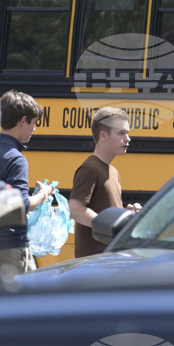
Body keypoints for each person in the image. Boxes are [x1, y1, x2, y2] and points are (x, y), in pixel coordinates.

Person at [0, 89, 53, 285]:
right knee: (25, 304)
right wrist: (44, 194)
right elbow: (22, 204)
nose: (34, 129)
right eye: (34, 123)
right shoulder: (16, 158)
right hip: (9, 245)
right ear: (22, 121)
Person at [69, 107, 133, 258]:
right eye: (121, 133)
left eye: (127, 133)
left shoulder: (113, 172)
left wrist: (126, 214)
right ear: (103, 135)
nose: (128, 138)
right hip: (93, 263)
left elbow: (105, 208)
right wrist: (111, 227)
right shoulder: (90, 169)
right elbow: (76, 209)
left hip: (109, 259)